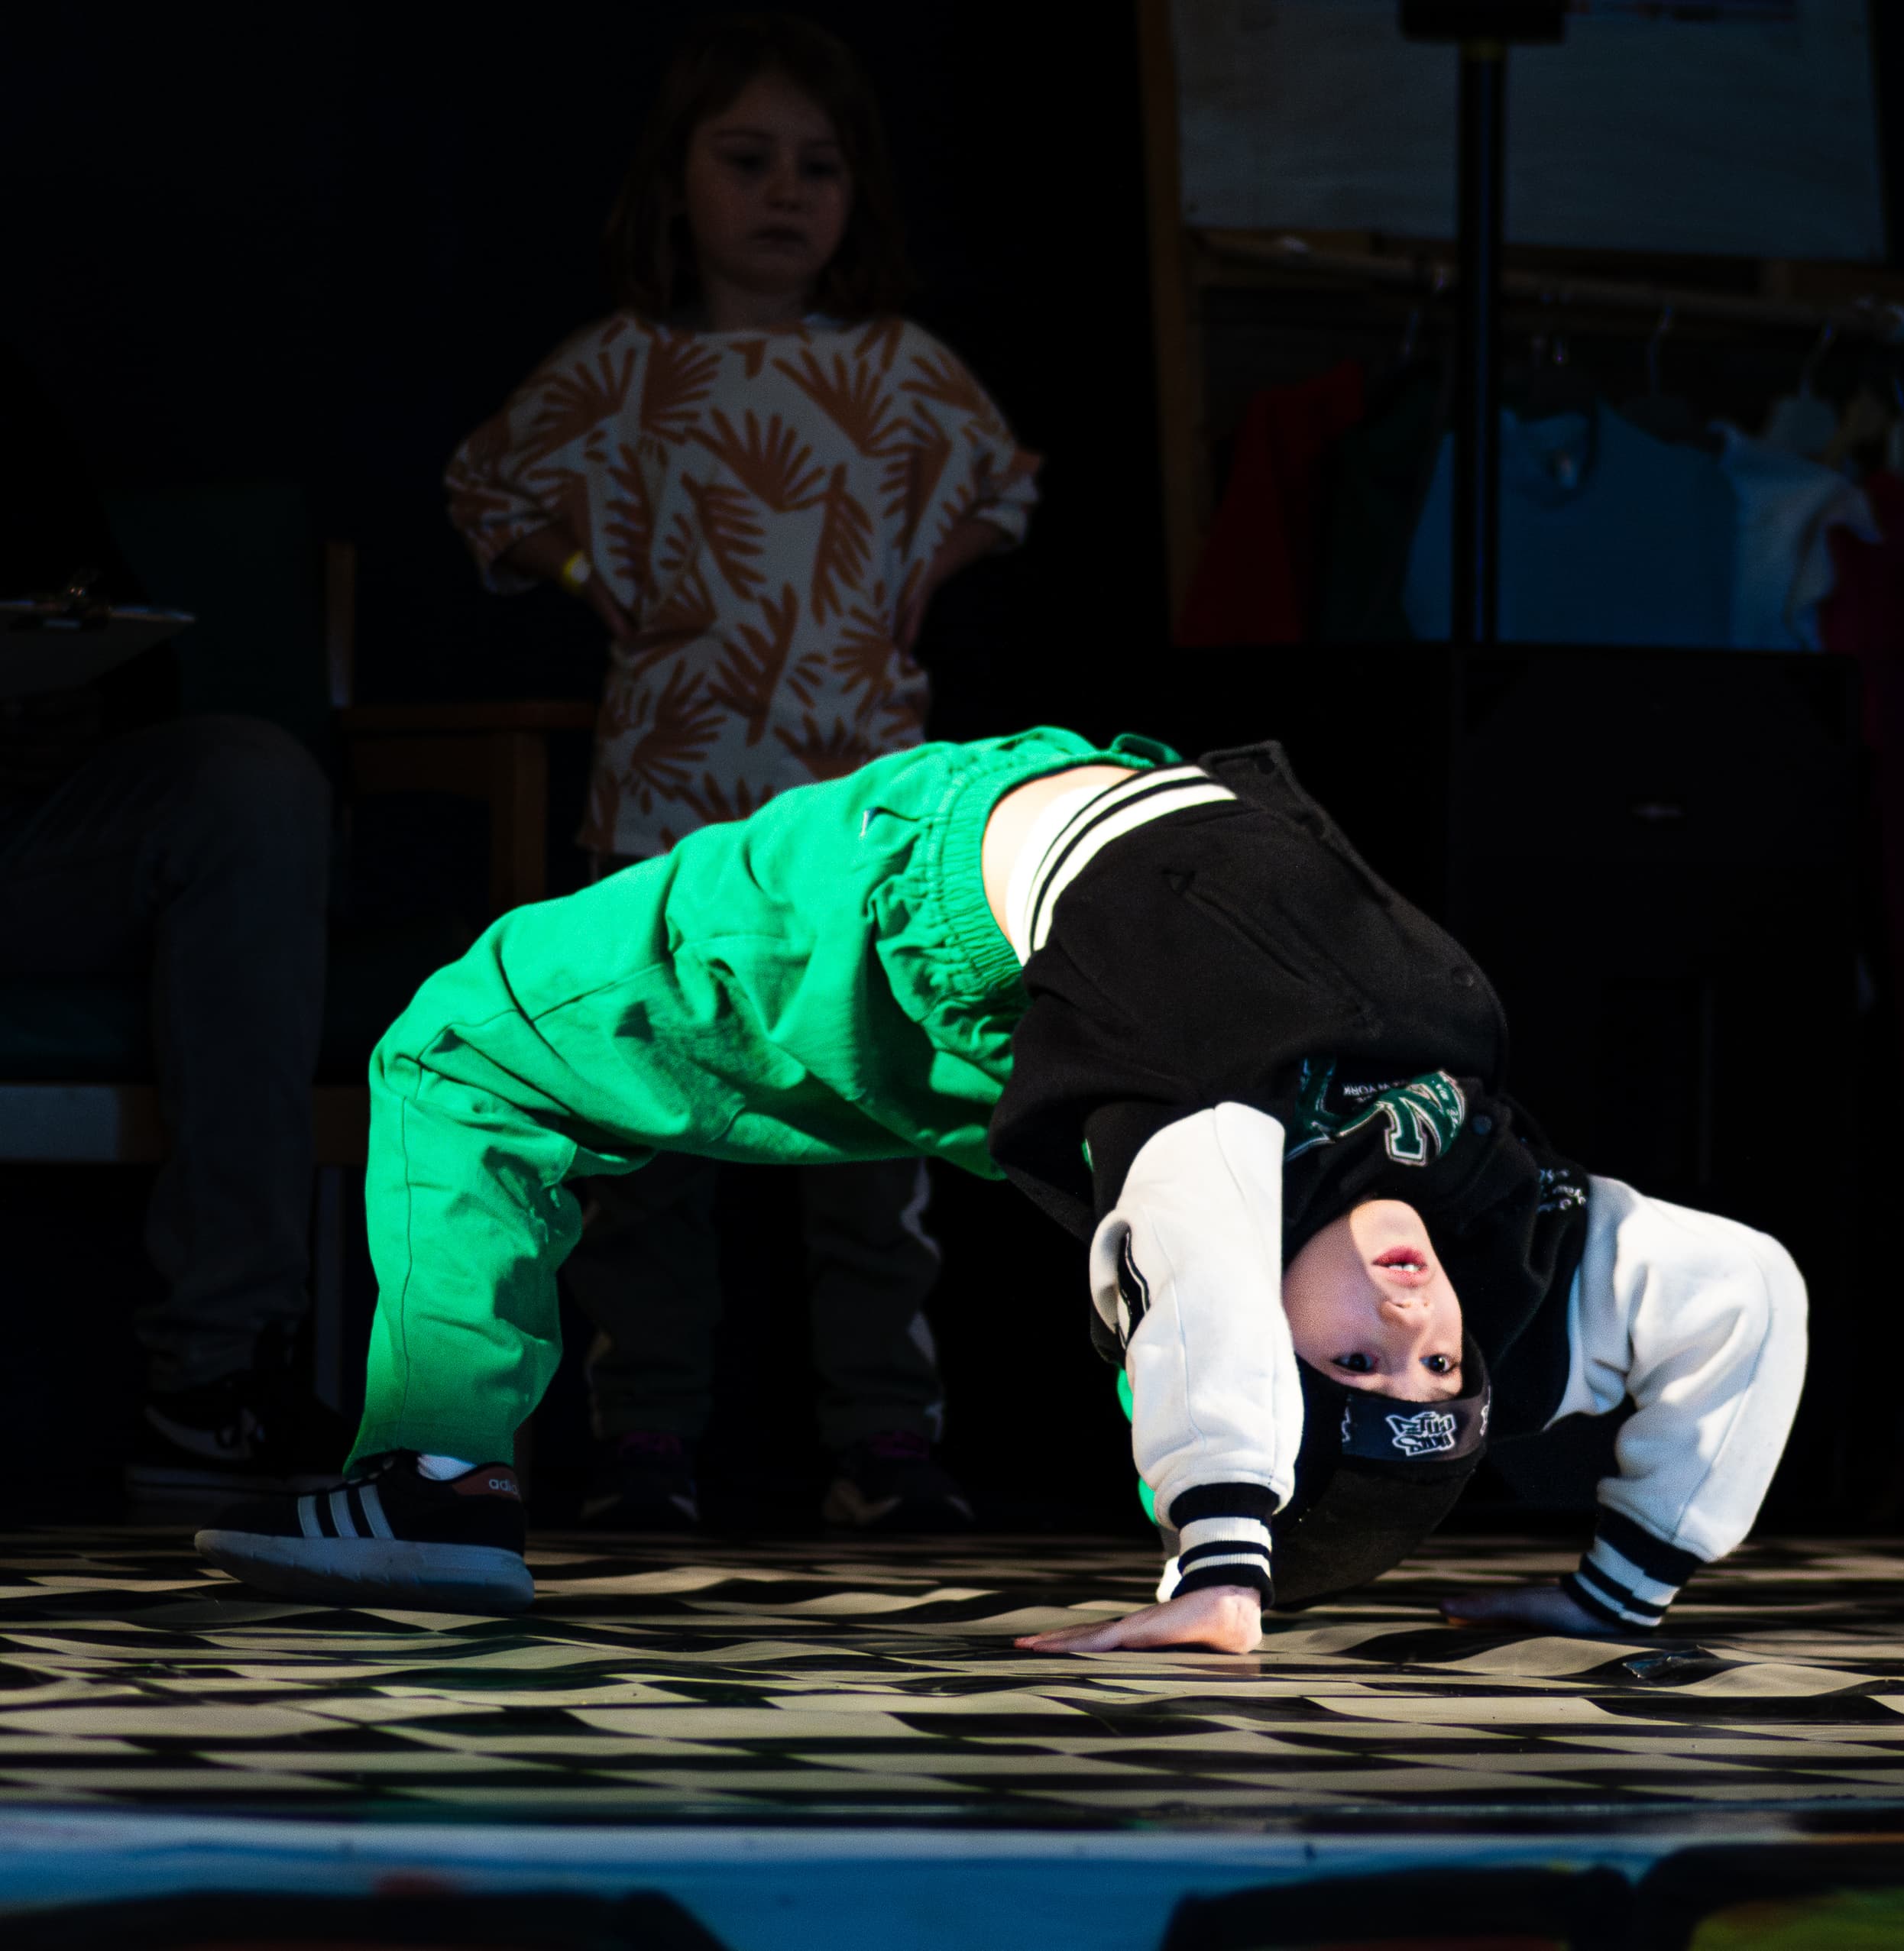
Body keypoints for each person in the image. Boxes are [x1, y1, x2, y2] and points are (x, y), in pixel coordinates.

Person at [191, 729, 1808, 1648]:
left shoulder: (1220, 1174)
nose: (1407, 1317)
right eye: (1440, 1363)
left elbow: (1210, 1278)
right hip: (1072, 955)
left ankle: (436, 1479)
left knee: (463, 1042)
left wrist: (1223, 1564)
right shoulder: (1481, 1209)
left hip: (920, 911)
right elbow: (1742, 1297)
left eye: (1356, 1367)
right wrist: (1620, 1582)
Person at [439, 14, 1041, 1532]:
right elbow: (486, 483)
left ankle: (887, 1437)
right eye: (748, 159)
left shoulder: (902, 369)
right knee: (652, 1142)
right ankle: (646, 1433)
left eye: (818, 167)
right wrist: (589, 574)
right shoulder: (629, 367)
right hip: (671, 800)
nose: (785, 192)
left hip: (861, 812)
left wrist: (920, 580)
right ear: (678, 182)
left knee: (880, 1142)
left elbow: (1006, 483)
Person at [0, 345, 347, 1505]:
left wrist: (80, 707)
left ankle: (219, 1380)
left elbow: (107, 623)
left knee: (249, 782)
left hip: (33, 837)